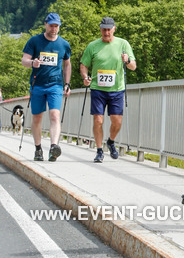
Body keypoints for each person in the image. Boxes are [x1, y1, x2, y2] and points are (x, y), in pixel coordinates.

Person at [80, 16, 136, 163]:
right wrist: (85, 77)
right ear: (100, 30)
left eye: (109, 30)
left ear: (114, 29)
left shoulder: (123, 44)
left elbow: (133, 66)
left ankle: (111, 141)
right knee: (98, 119)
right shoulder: (92, 46)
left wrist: (127, 60)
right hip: (98, 88)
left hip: (117, 89)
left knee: (117, 122)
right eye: (104, 30)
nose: (106, 33)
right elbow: (84, 64)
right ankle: (99, 151)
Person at [21, 12, 72, 162]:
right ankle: (38, 149)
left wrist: (67, 83)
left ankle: (53, 147)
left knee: (55, 115)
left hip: (55, 85)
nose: (54, 29)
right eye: (51, 26)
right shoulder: (34, 41)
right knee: (37, 117)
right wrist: (32, 63)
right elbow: (24, 60)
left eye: (56, 26)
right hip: (37, 85)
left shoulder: (64, 44)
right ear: (45, 25)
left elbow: (67, 64)